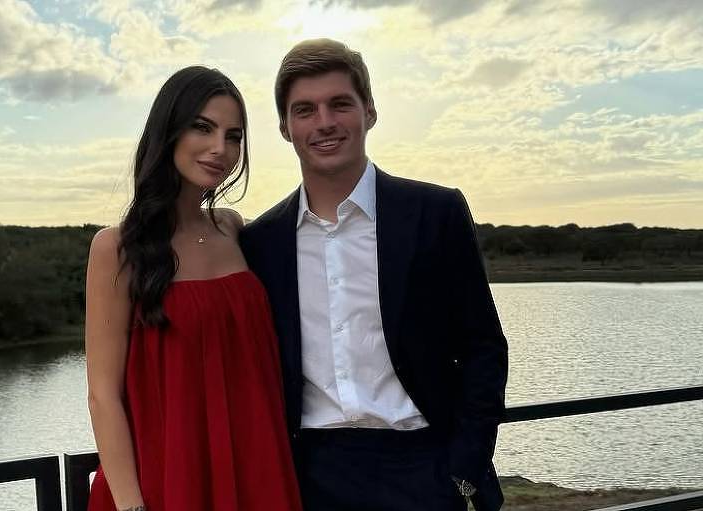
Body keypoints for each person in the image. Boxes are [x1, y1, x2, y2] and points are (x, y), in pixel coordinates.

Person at [240, 39, 508, 511]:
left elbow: (484, 348)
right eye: (305, 110)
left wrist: (462, 467)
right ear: (285, 127)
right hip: (309, 477)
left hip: (424, 468)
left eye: (339, 104)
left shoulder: (435, 213)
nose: (324, 122)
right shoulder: (261, 242)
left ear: (370, 111)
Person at [85, 66, 302, 511]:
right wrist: (132, 506)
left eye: (234, 135)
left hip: (256, 470)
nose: (220, 148)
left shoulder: (233, 229)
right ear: (169, 130)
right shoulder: (118, 248)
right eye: (203, 127)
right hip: (168, 478)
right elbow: (102, 394)